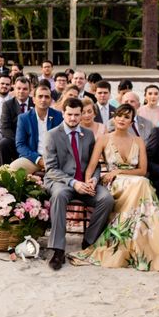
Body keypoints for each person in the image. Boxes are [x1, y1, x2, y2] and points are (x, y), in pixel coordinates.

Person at [69, 104, 159, 271]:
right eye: (120, 115)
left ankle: (145, 243)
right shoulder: (104, 139)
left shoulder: (138, 141)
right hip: (115, 184)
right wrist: (88, 182)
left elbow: (143, 171)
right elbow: (91, 167)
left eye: (127, 117)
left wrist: (118, 170)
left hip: (135, 181)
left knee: (142, 183)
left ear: (131, 121)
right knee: (142, 185)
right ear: (114, 118)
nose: (122, 119)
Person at [43, 97, 114, 271]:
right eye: (69, 115)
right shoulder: (52, 135)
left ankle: (89, 240)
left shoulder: (88, 134)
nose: (73, 118)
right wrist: (74, 183)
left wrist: (94, 179)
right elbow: (50, 169)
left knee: (107, 199)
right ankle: (58, 249)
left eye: (77, 115)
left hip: (86, 182)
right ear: (63, 113)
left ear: (82, 114)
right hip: (61, 181)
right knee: (59, 196)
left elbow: (94, 164)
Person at [10, 85, 63, 174]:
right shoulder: (24, 118)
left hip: (54, 158)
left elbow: (62, 142)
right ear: (34, 99)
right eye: (40, 96)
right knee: (12, 169)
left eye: (47, 97)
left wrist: (52, 160)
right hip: (33, 158)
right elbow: (20, 145)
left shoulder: (58, 116)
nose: (43, 99)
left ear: (50, 100)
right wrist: (38, 159)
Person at [0, 76, 33, 166]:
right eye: (18, 88)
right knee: (3, 144)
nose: (21, 91)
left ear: (30, 90)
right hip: (15, 139)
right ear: (14, 89)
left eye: (25, 89)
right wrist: (19, 141)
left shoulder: (35, 103)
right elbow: (5, 127)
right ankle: (5, 172)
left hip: (33, 139)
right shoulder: (8, 105)